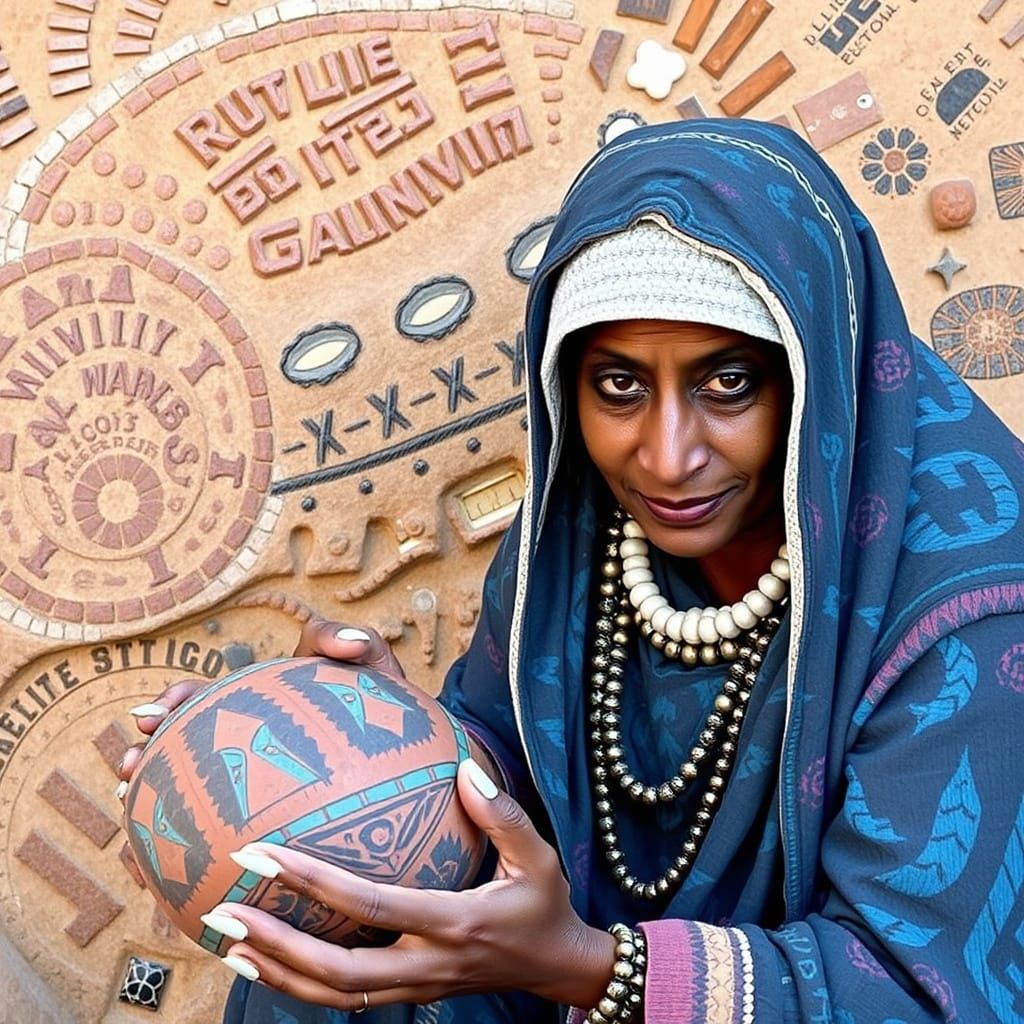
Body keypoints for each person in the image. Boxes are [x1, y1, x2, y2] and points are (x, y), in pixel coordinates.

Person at [121, 118, 1024, 1023]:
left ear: (814, 373)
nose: (668, 458)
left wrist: (595, 969)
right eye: (619, 386)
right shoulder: (589, 525)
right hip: (579, 971)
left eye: (729, 383)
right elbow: (519, 761)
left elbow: (925, 989)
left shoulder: (972, 607)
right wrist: (396, 743)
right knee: (339, 971)